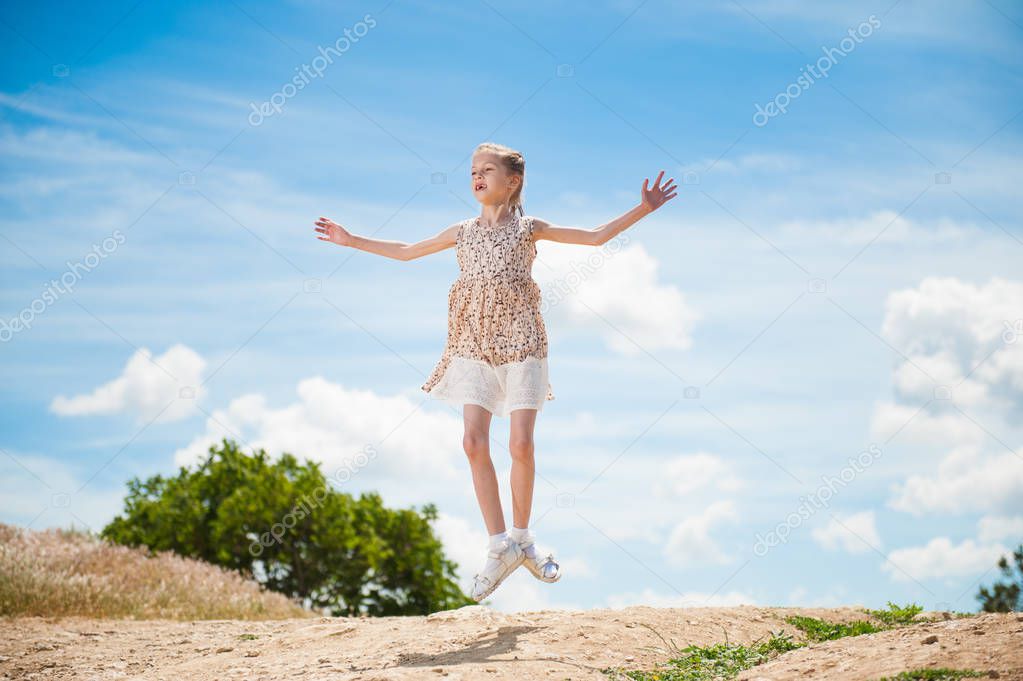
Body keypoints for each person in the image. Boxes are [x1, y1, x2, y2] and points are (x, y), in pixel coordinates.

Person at [314, 141, 677, 601]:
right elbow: (407, 250)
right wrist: (351, 240)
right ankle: (499, 546)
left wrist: (643, 209)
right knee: (471, 442)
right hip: (471, 341)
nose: (477, 177)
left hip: (523, 338)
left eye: (488, 170)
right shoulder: (461, 231)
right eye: (472, 172)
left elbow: (595, 236)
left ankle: (524, 540)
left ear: (514, 181)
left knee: (520, 442)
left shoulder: (529, 228)